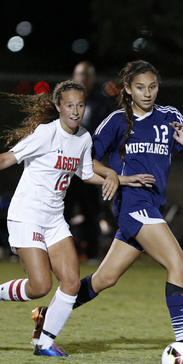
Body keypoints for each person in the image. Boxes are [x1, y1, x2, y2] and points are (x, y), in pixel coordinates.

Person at [0, 80, 153, 357]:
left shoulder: (83, 137)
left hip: (54, 219)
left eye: (80, 105)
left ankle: (44, 342)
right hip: (27, 216)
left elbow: (84, 172)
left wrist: (122, 179)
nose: (75, 111)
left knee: (70, 282)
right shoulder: (46, 133)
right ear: (58, 106)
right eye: (69, 105)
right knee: (40, 286)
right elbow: (9, 157)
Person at [31, 60, 183, 352]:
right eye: (140, 87)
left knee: (104, 279)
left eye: (153, 87)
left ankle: (45, 317)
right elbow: (83, 158)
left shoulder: (170, 117)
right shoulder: (117, 121)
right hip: (133, 207)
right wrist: (117, 177)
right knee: (179, 264)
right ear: (129, 90)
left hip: (152, 207)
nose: (148, 93)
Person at [63, 61, 116, 263]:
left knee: (90, 210)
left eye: (87, 75)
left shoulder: (100, 103)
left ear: (92, 78)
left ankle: (92, 253)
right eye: (80, 74)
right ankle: (62, 254)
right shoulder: (64, 99)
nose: (83, 79)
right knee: (62, 211)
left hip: (87, 165)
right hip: (65, 166)